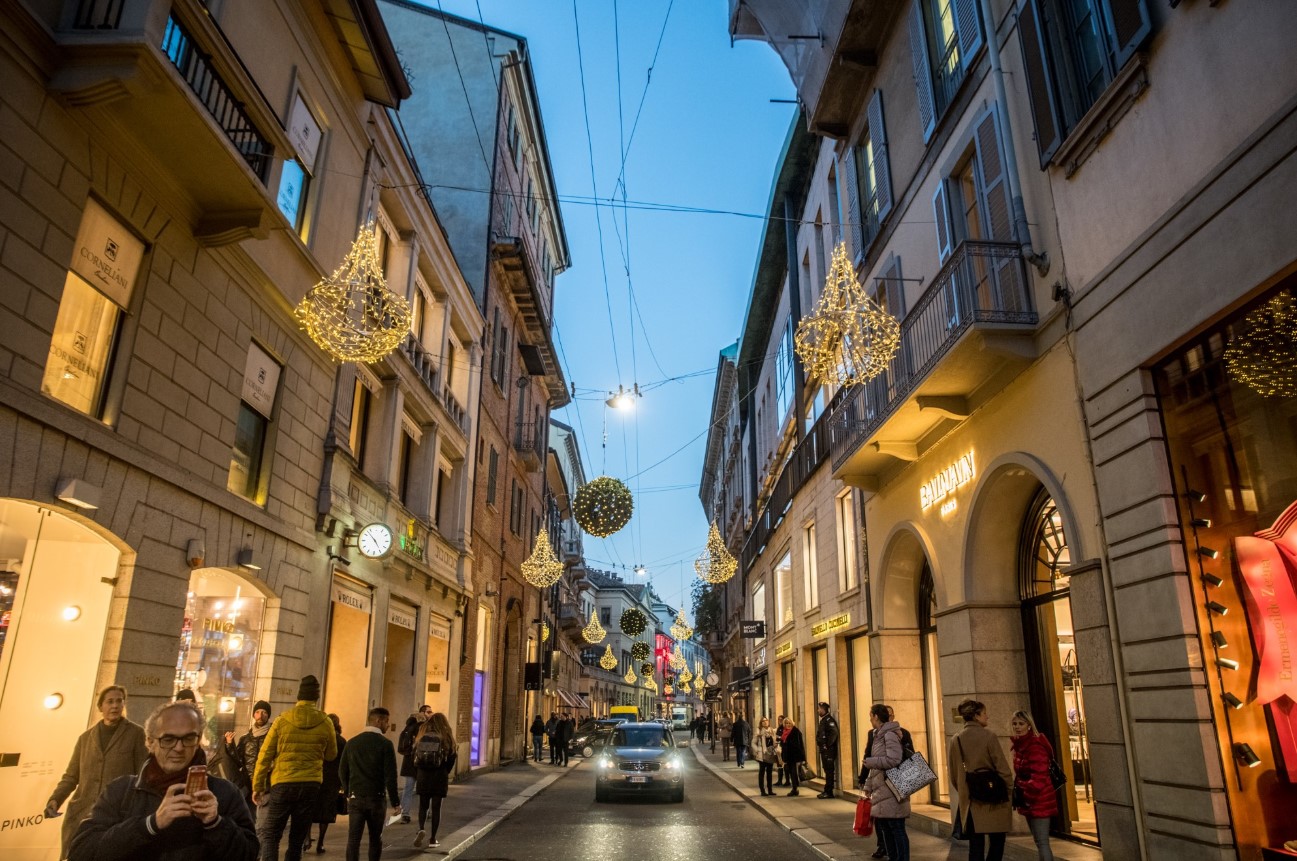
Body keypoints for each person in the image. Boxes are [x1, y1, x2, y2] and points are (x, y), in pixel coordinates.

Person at [67, 700, 258, 860]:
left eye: (188, 738)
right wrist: (150, 824)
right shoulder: (122, 791)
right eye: (168, 739)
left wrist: (216, 824)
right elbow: (82, 852)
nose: (179, 748)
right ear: (150, 742)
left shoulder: (224, 793)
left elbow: (249, 854)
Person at [46, 685, 149, 858]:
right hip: (81, 813)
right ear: (100, 707)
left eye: (119, 701)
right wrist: (56, 799)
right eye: (110, 701)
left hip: (115, 816)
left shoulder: (136, 734)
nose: (115, 706)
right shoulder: (85, 738)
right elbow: (71, 776)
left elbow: (143, 776)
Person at [252, 674, 339, 861]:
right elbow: (332, 754)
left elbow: (264, 756)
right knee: (297, 838)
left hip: (283, 782)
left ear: (298, 698)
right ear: (316, 698)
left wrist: (258, 786)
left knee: (271, 834)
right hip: (310, 784)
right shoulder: (325, 722)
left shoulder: (282, 720)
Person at [948, 699, 1013, 861]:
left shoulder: (956, 739)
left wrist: (965, 791)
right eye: (984, 713)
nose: (987, 716)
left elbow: (954, 776)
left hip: (972, 799)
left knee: (976, 845)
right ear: (976, 716)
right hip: (994, 796)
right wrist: (1009, 790)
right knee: (997, 841)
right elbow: (1002, 768)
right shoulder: (989, 736)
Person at [338, 707, 400, 861]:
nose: (388, 725)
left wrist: (347, 791)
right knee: (375, 838)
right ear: (378, 721)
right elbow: (390, 776)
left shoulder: (352, 742)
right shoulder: (385, 744)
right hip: (376, 799)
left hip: (356, 798)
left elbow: (342, 770)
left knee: (353, 840)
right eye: (386, 721)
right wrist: (395, 802)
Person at [859, 705, 914, 859]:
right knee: (887, 829)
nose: (869, 719)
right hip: (882, 790)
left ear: (876, 716)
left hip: (892, 789)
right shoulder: (878, 735)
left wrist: (871, 761)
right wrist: (868, 785)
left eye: (870, 715)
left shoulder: (889, 734)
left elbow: (894, 759)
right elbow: (877, 768)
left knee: (896, 828)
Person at [1010, 710, 1059, 860]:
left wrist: (1025, 795)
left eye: (1021, 724)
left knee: (1042, 842)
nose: (1017, 727)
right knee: (1039, 842)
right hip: (1030, 799)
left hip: (1039, 800)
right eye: (1015, 724)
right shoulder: (1020, 745)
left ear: (1029, 725)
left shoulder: (1035, 746)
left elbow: (1039, 777)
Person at [411, 712, 458, 849]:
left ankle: (421, 828)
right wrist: (445, 771)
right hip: (439, 776)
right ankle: (433, 839)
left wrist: (419, 773)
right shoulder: (446, 737)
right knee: (436, 808)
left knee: (423, 806)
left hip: (423, 775)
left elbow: (415, 757)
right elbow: (452, 757)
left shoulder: (422, 735)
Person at [305, 714, 346, 854]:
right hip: (332, 781)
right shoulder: (341, 741)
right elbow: (343, 764)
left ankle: (307, 837)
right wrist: (342, 783)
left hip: (315, 778)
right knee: (326, 813)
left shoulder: (318, 738)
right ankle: (320, 842)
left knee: (310, 809)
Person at [226, 700, 272, 816]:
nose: (260, 715)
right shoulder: (245, 738)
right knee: (249, 818)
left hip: (266, 786)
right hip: (248, 785)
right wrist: (230, 745)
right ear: (253, 715)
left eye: (264, 712)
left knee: (264, 820)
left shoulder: (273, 737)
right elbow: (237, 761)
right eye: (257, 712)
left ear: (269, 715)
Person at [397, 707, 431, 823]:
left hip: (408, 763)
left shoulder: (406, 730)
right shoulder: (424, 728)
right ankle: (426, 812)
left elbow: (401, 748)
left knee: (408, 789)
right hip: (422, 763)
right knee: (424, 789)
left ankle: (405, 814)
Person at [815, 701, 840, 798]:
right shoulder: (824, 720)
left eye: (819, 709)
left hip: (828, 751)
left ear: (823, 709)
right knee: (826, 770)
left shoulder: (829, 720)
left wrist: (827, 745)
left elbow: (834, 733)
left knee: (829, 771)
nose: (818, 710)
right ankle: (827, 790)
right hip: (824, 750)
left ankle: (829, 791)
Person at [750, 717, 779, 796]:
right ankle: (762, 790)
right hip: (762, 755)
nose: (765, 722)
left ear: (768, 722)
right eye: (763, 721)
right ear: (761, 723)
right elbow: (753, 743)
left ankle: (770, 790)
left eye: (766, 721)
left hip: (770, 754)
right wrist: (757, 750)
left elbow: (775, 741)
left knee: (769, 773)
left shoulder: (772, 730)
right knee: (762, 772)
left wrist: (775, 746)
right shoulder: (758, 731)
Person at [779, 716, 806, 796]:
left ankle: (795, 789)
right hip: (788, 756)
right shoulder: (785, 731)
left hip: (794, 756)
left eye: (789, 723)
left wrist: (802, 757)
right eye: (786, 723)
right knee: (790, 772)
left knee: (793, 772)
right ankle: (794, 788)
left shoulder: (795, 731)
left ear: (792, 723)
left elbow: (798, 744)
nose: (788, 725)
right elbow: (783, 743)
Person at [774, 714, 787, 786]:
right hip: (778, 749)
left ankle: (787, 780)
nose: (779, 721)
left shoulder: (785, 728)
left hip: (784, 748)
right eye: (778, 719)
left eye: (781, 720)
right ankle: (779, 780)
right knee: (779, 765)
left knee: (785, 765)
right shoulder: (779, 728)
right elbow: (777, 737)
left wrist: (779, 739)